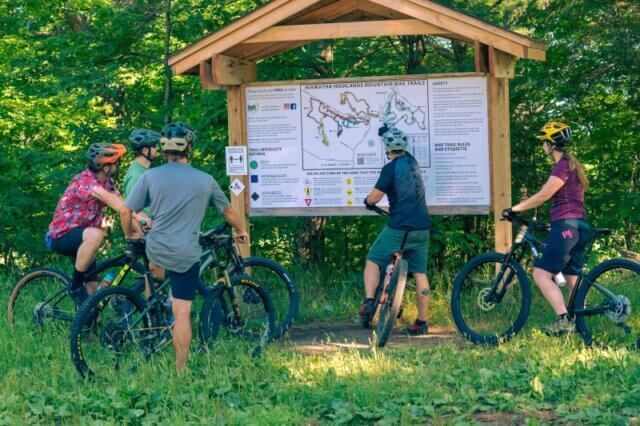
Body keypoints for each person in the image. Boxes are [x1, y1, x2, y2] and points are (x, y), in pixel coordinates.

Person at [120, 122, 249, 372]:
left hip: (155, 250)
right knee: (182, 312)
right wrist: (241, 230)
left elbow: (126, 210)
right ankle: (180, 369)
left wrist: (129, 235)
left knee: (155, 284)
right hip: (185, 254)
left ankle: (152, 317)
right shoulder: (206, 180)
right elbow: (228, 212)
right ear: (188, 148)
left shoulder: (150, 176)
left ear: (164, 149)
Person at [503, 120, 590, 335]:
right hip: (579, 227)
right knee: (572, 279)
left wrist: (515, 209)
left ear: (552, 144)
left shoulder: (562, 166)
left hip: (567, 227)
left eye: (544, 142)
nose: (543, 145)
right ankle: (582, 325)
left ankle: (563, 321)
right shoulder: (572, 165)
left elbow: (544, 195)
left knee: (541, 274)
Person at [360, 123, 432, 335]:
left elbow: (375, 197)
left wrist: (368, 202)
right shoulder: (413, 162)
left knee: (373, 258)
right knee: (420, 272)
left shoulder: (390, 168)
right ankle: (421, 322)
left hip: (399, 226)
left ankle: (370, 301)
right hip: (422, 227)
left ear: (386, 148)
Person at [46, 143, 127, 307]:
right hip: (61, 236)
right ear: (105, 167)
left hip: (86, 239)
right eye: (116, 162)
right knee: (96, 234)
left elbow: (126, 205)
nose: (118, 165)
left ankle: (89, 328)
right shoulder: (86, 182)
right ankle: (75, 287)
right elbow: (120, 207)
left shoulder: (107, 183)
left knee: (92, 293)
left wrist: (149, 222)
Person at [122, 128, 161, 232]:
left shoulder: (146, 170)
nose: (157, 148)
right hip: (150, 232)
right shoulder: (136, 174)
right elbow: (130, 209)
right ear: (144, 150)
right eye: (153, 146)